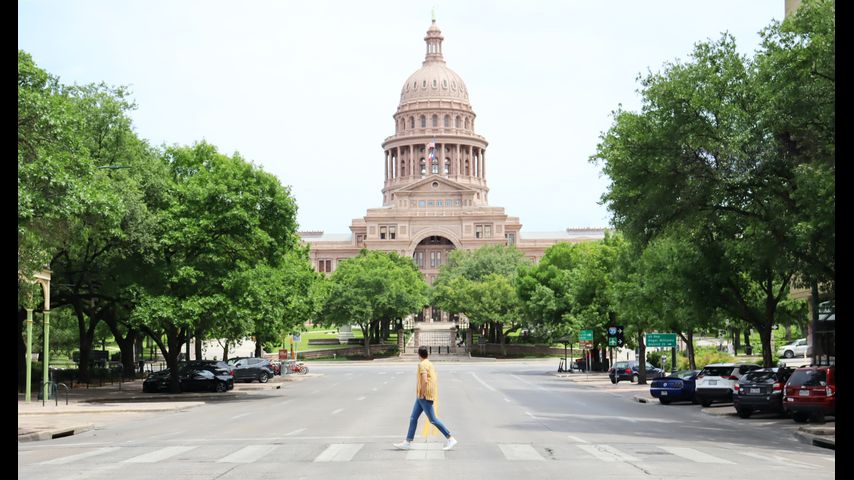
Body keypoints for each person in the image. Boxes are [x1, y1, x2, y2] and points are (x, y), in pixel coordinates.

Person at [394, 346, 458, 451]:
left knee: (433, 419)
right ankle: (407, 441)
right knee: (413, 418)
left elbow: (424, 380)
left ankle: (450, 438)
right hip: (422, 396)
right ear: (427, 354)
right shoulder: (429, 363)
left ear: (419, 354)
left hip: (424, 395)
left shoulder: (422, 364)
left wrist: (422, 393)